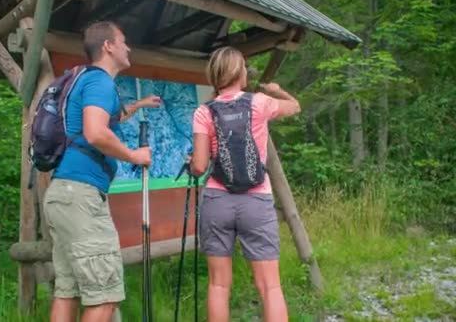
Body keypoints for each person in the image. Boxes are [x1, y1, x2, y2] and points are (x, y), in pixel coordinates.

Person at [43, 21, 161, 322]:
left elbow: (114, 117)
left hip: (62, 195)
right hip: (82, 196)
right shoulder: (100, 82)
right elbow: (96, 132)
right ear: (108, 46)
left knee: (67, 291)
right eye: (123, 41)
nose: (128, 47)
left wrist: (141, 104)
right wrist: (134, 155)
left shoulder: (83, 80)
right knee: (104, 297)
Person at [189, 46, 300, 322]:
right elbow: (295, 106)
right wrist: (277, 90)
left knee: (218, 285)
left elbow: (200, 167)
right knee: (270, 287)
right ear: (240, 72)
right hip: (256, 200)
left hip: (217, 199)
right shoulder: (259, 102)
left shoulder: (204, 112)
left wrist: (191, 161)